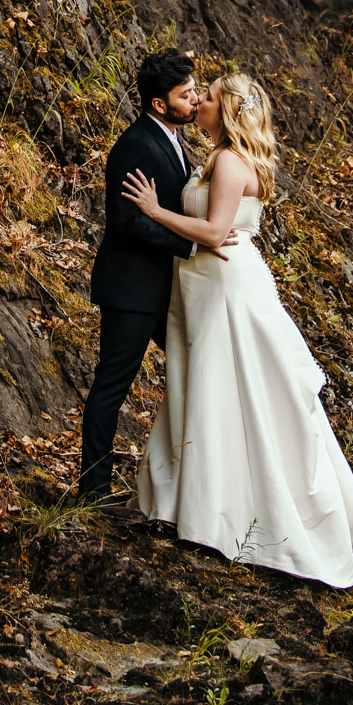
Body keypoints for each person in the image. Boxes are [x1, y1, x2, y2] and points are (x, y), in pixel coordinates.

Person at [122, 71, 353, 584]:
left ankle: (220, 510)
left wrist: (156, 212)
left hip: (224, 282)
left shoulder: (227, 160)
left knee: (229, 387)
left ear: (225, 111)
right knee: (211, 386)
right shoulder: (221, 155)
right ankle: (198, 501)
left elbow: (214, 231)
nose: (198, 101)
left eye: (209, 98)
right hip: (204, 282)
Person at [77, 49, 232, 505]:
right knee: (112, 385)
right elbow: (126, 221)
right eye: (186, 96)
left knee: (201, 370)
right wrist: (191, 245)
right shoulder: (134, 145)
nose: (196, 100)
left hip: (168, 290)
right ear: (160, 104)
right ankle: (93, 492)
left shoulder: (170, 139)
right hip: (131, 289)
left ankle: (198, 483)